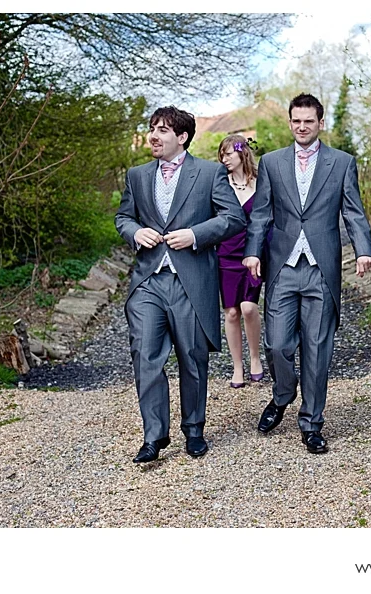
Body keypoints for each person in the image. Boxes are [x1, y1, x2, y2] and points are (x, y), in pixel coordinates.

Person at [242, 93, 371, 454]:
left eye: (309, 121)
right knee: (277, 344)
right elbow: (261, 213)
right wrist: (252, 252)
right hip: (282, 266)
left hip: (321, 268)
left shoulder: (342, 162)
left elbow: (353, 211)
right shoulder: (271, 162)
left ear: (320, 123)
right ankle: (283, 393)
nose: (302, 127)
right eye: (296, 121)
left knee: (317, 349)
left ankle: (311, 423)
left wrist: (363, 249)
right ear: (290, 123)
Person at [116, 106, 245, 462]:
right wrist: (134, 231)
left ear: (182, 137)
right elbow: (123, 216)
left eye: (162, 130)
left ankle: (194, 430)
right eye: (152, 128)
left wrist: (195, 234)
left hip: (191, 280)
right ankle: (154, 437)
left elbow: (234, 218)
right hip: (148, 281)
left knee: (192, 356)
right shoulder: (137, 176)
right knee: (145, 355)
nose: (153, 136)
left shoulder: (209, 173)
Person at [216, 135, 265, 388]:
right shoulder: (219, 184)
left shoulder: (261, 182)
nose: (224, 159)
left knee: (248, 307)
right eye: (221, 155)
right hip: (226, 254)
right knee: (232, 312)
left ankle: (255, 357)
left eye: (228, 154)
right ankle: (237, 366)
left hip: (253, 253)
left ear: (242, 153)